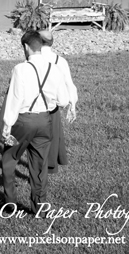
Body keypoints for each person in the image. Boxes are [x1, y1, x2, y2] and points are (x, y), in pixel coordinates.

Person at [0, 31, 70, 215]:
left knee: (9, 158)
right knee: (39, 165)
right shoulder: (55, 69)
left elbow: (14, 100)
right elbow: (63, 101)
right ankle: (40, 208)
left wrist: (7, 126)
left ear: (26, 47)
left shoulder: (20, 69)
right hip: (45, 122)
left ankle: (10, 203)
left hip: (22, 123)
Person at [39, 30, 78, 174]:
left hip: (33, 108)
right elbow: (69, 84)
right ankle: (49, 167)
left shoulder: (31, 59)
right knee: (52, 138)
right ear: (52, 42)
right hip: (52, 108)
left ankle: (38, 169)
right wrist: (72, 105)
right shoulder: (60, 61)